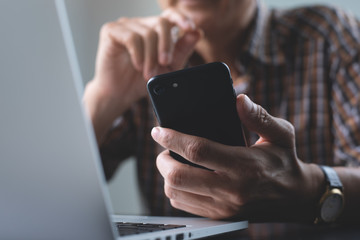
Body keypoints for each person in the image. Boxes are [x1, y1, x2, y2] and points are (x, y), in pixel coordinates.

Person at [83, 0, 360, 238]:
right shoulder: (140, 63)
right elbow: (51, 191)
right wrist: (104, 98)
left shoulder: (328, 37)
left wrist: (310, 189)